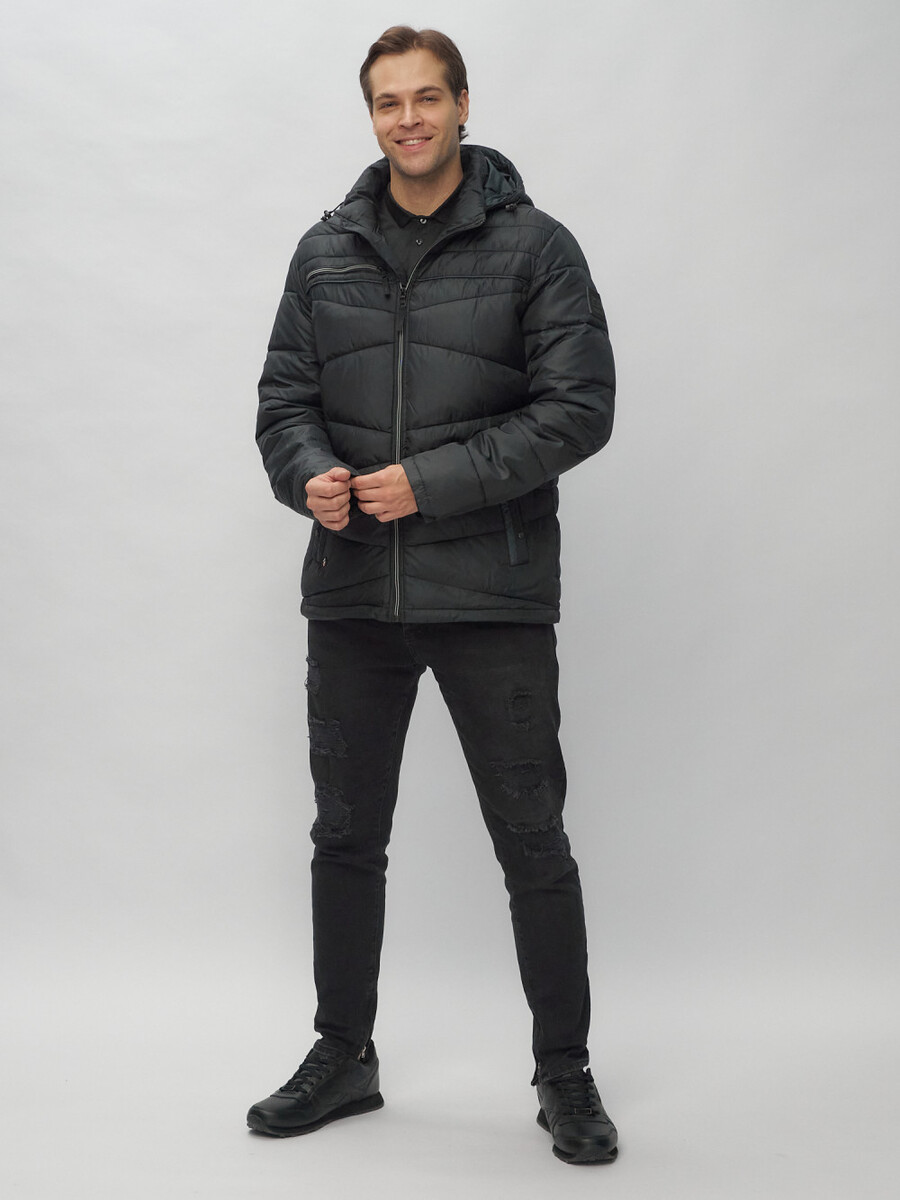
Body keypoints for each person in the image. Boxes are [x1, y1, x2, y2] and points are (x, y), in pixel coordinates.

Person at [247, 25, 618, 1166]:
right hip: (353, 593)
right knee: (345, 834)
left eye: (424, 98)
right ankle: (344, 1054)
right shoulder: (325, 253)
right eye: (386, 103)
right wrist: (310, 473)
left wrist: (430, 485)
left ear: (462, 105)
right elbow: (282, 403)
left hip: (489, 595)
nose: (406, 120)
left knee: (531, 836)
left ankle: (565, 1072)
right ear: (371, 116)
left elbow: (580, 409)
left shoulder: (536, 248)